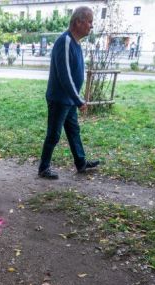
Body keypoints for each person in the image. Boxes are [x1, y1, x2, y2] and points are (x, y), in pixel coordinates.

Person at [38, 6, 100, 179]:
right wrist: (78, 100)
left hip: (69, 100)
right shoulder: (65, 41)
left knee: (74, 131)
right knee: (54, 134)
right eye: (89, 21)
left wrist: (75, 99)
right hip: (59, 99)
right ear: (78, 22)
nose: (91, 26)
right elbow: (64, 76)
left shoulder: (76, 43)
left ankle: (81, 163)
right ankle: (43, 168)